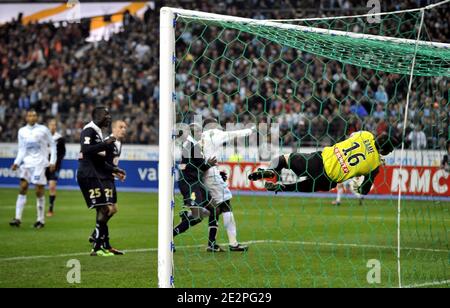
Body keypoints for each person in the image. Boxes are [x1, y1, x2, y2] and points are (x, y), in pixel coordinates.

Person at [249, 131, 400, 196]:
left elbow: (351, 137)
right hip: (328, 180)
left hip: (319, 160)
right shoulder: (374, 166)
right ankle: (281, 188)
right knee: (304, 186)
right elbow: (365, 190)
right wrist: (359, 187)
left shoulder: (365, 134)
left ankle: (272, 171)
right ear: (385, 151)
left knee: (282, 159)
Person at [77, 106, 126, 257]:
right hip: (90, 175)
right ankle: (98, 245)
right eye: (106, 115)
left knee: (106, 209)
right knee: (106, 209)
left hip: (95, 174)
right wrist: (106, 144)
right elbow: (85, 150)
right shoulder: (89, 130)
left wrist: (116, 170)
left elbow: (99, 161)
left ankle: (102, 244)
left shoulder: (98, 133)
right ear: (98, 116)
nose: (108, 117)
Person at [201, 118, 255, 252]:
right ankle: (233, 243)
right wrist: (250, 130)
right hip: (212, 175)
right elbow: (233, 134)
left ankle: (211, 243)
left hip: (203, 175)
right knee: (226, 205)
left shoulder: (199, 137)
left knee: (214, 208)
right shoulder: (214, 133)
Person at [173, 123, 223, 252]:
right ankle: (169, 237)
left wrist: (213, 169)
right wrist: (210, 164)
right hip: (189, 184)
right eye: (198, 130)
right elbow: (202, 166)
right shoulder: (192, 145)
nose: (201, 132)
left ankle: (211, 244)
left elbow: (197, 166)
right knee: (197, 216)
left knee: (215, 209)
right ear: (191, 132)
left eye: (201, 130)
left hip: (196, 183)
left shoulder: (193, 145)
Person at [9, 109, 56, 228]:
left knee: (38, 190)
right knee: (23, 187)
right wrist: (16, 162)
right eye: (30, 115)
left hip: (39, 164)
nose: (32, 117)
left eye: (34, 115)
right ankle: (17, 218)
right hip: (26, 163)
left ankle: (40, 220)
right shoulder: (22, 131)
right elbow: (22, 149)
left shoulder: (43, 129)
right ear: (26, 118)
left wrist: (52, 161)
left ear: (37, 117)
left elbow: (53, 145)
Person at [88, 119, 128, 255]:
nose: (124, 129)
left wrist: (117, 174)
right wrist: (115, 171)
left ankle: (99, 237)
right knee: (107, 210)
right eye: (121, 127)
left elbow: (109, 163)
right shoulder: (107, 142)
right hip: (102, 180)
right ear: (114, 128)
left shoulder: (118, 143)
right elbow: (98, 162)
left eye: (125, 127)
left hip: (109, 179)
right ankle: (98, 244)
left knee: (112, 209)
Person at [46, 119, 66, 217]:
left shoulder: (60, 139)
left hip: (54, 166)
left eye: (54, 125)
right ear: (48, 126)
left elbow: (62, 153)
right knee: (39, 187)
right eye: (51, 125)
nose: (53, 126)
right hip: (44, 164)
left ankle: (50, 208)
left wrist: (55, 164)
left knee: (52, 186)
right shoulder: (44, 137)